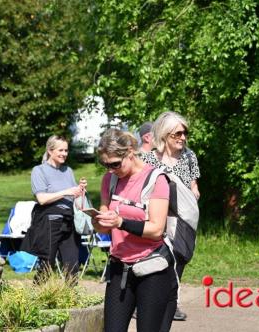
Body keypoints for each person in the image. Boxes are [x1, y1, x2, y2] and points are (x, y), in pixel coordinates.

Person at [93, 128, 177, 332]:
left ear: (130, 152)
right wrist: (98, 220)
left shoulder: (156, 179)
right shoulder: (110, 179)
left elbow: (157, 229)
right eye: (105, 164)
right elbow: (103, 222)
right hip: (119, 267)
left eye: (114, 163)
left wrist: (121, 222)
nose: (110, 169)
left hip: (152, 268)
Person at [140, 111, 200, 321]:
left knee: (179, 260)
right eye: (178, 134)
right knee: (156, 262)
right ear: (165, 135)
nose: (183, 138)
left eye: (185, 133)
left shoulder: (189, 156)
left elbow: (194, 185)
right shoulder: (148, 159)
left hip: (183, 219)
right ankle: (148, 304)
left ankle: (170, 303)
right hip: (156, 219)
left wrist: (192, 195)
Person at [21, 135, 87, 283]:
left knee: (72, 266)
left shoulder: (68, 171)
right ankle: (38, 299)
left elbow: (74, 197)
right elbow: (42, 199)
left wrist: (80, 190)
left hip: (69, 221)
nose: (64, 153)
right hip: (49, 222)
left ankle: (71, 302)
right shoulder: (39, 171)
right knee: (46, 266)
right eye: (60, 150)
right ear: (50, 151)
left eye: (66, 150)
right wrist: (66, 191)